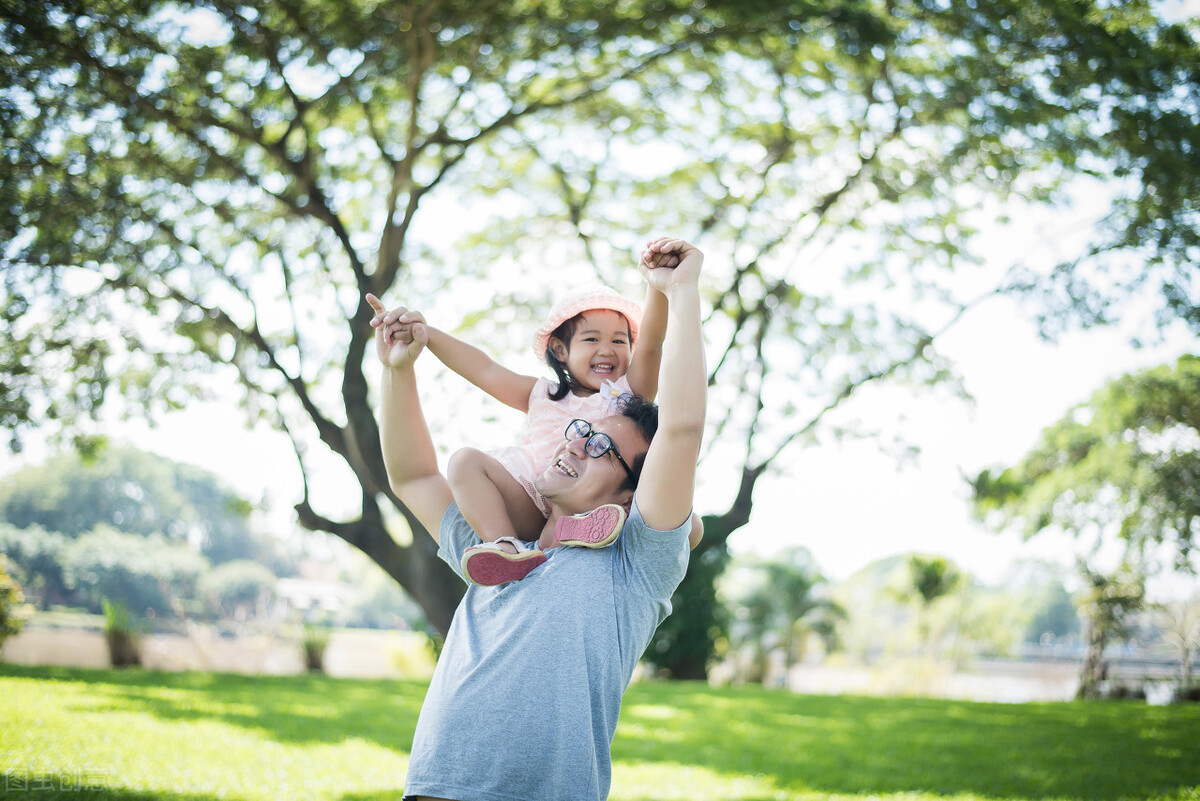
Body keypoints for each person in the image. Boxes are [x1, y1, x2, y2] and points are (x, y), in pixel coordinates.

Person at [367, 235, 706, 801]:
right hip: (436, 788)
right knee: (466, 467)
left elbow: (680, 428)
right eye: (577, 431)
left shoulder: (633, 564)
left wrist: (679, 291)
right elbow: (415, 479)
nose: (575, 442)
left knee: (685, 525)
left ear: (631, 495)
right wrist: (399, 369)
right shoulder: (491, 554)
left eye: (597, 443)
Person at [403, 255, 701, 586]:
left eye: (619, 340)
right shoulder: (541, 394)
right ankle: (505, 546)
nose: (607, 349)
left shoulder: (624, 394)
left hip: (594, 497)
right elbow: (484, 369)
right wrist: (426, 335)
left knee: (693, 525)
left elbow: (652, 345)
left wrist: (656, 284)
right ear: (559, 350)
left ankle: (582, 527)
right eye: (592, 339)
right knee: (464, 462)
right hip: (535, 497)